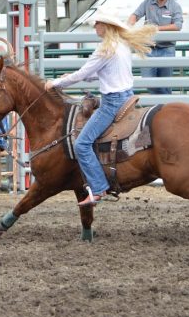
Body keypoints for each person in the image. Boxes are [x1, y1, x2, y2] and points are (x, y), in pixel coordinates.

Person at [44, 11, 157, 207]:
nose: (95, 26)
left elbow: (83, 74)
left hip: (112, 103)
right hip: (127, 96)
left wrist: (56, 83)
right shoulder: (121, 46)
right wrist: (73, 76)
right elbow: (101, 74)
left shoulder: (105, 49)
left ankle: (98, 188)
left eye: (97, 23)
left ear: (105, 26)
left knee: (82, 144)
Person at [128, 0, 184, 96]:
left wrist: (155, 29)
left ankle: (163, 108)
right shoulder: (147, 2)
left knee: (165, 83)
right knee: (148, 81)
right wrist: (128, 26)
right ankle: (166, 102)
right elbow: (135, 15)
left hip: (166, 48)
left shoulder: (175, 6)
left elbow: (178, 26)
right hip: (148, 48)